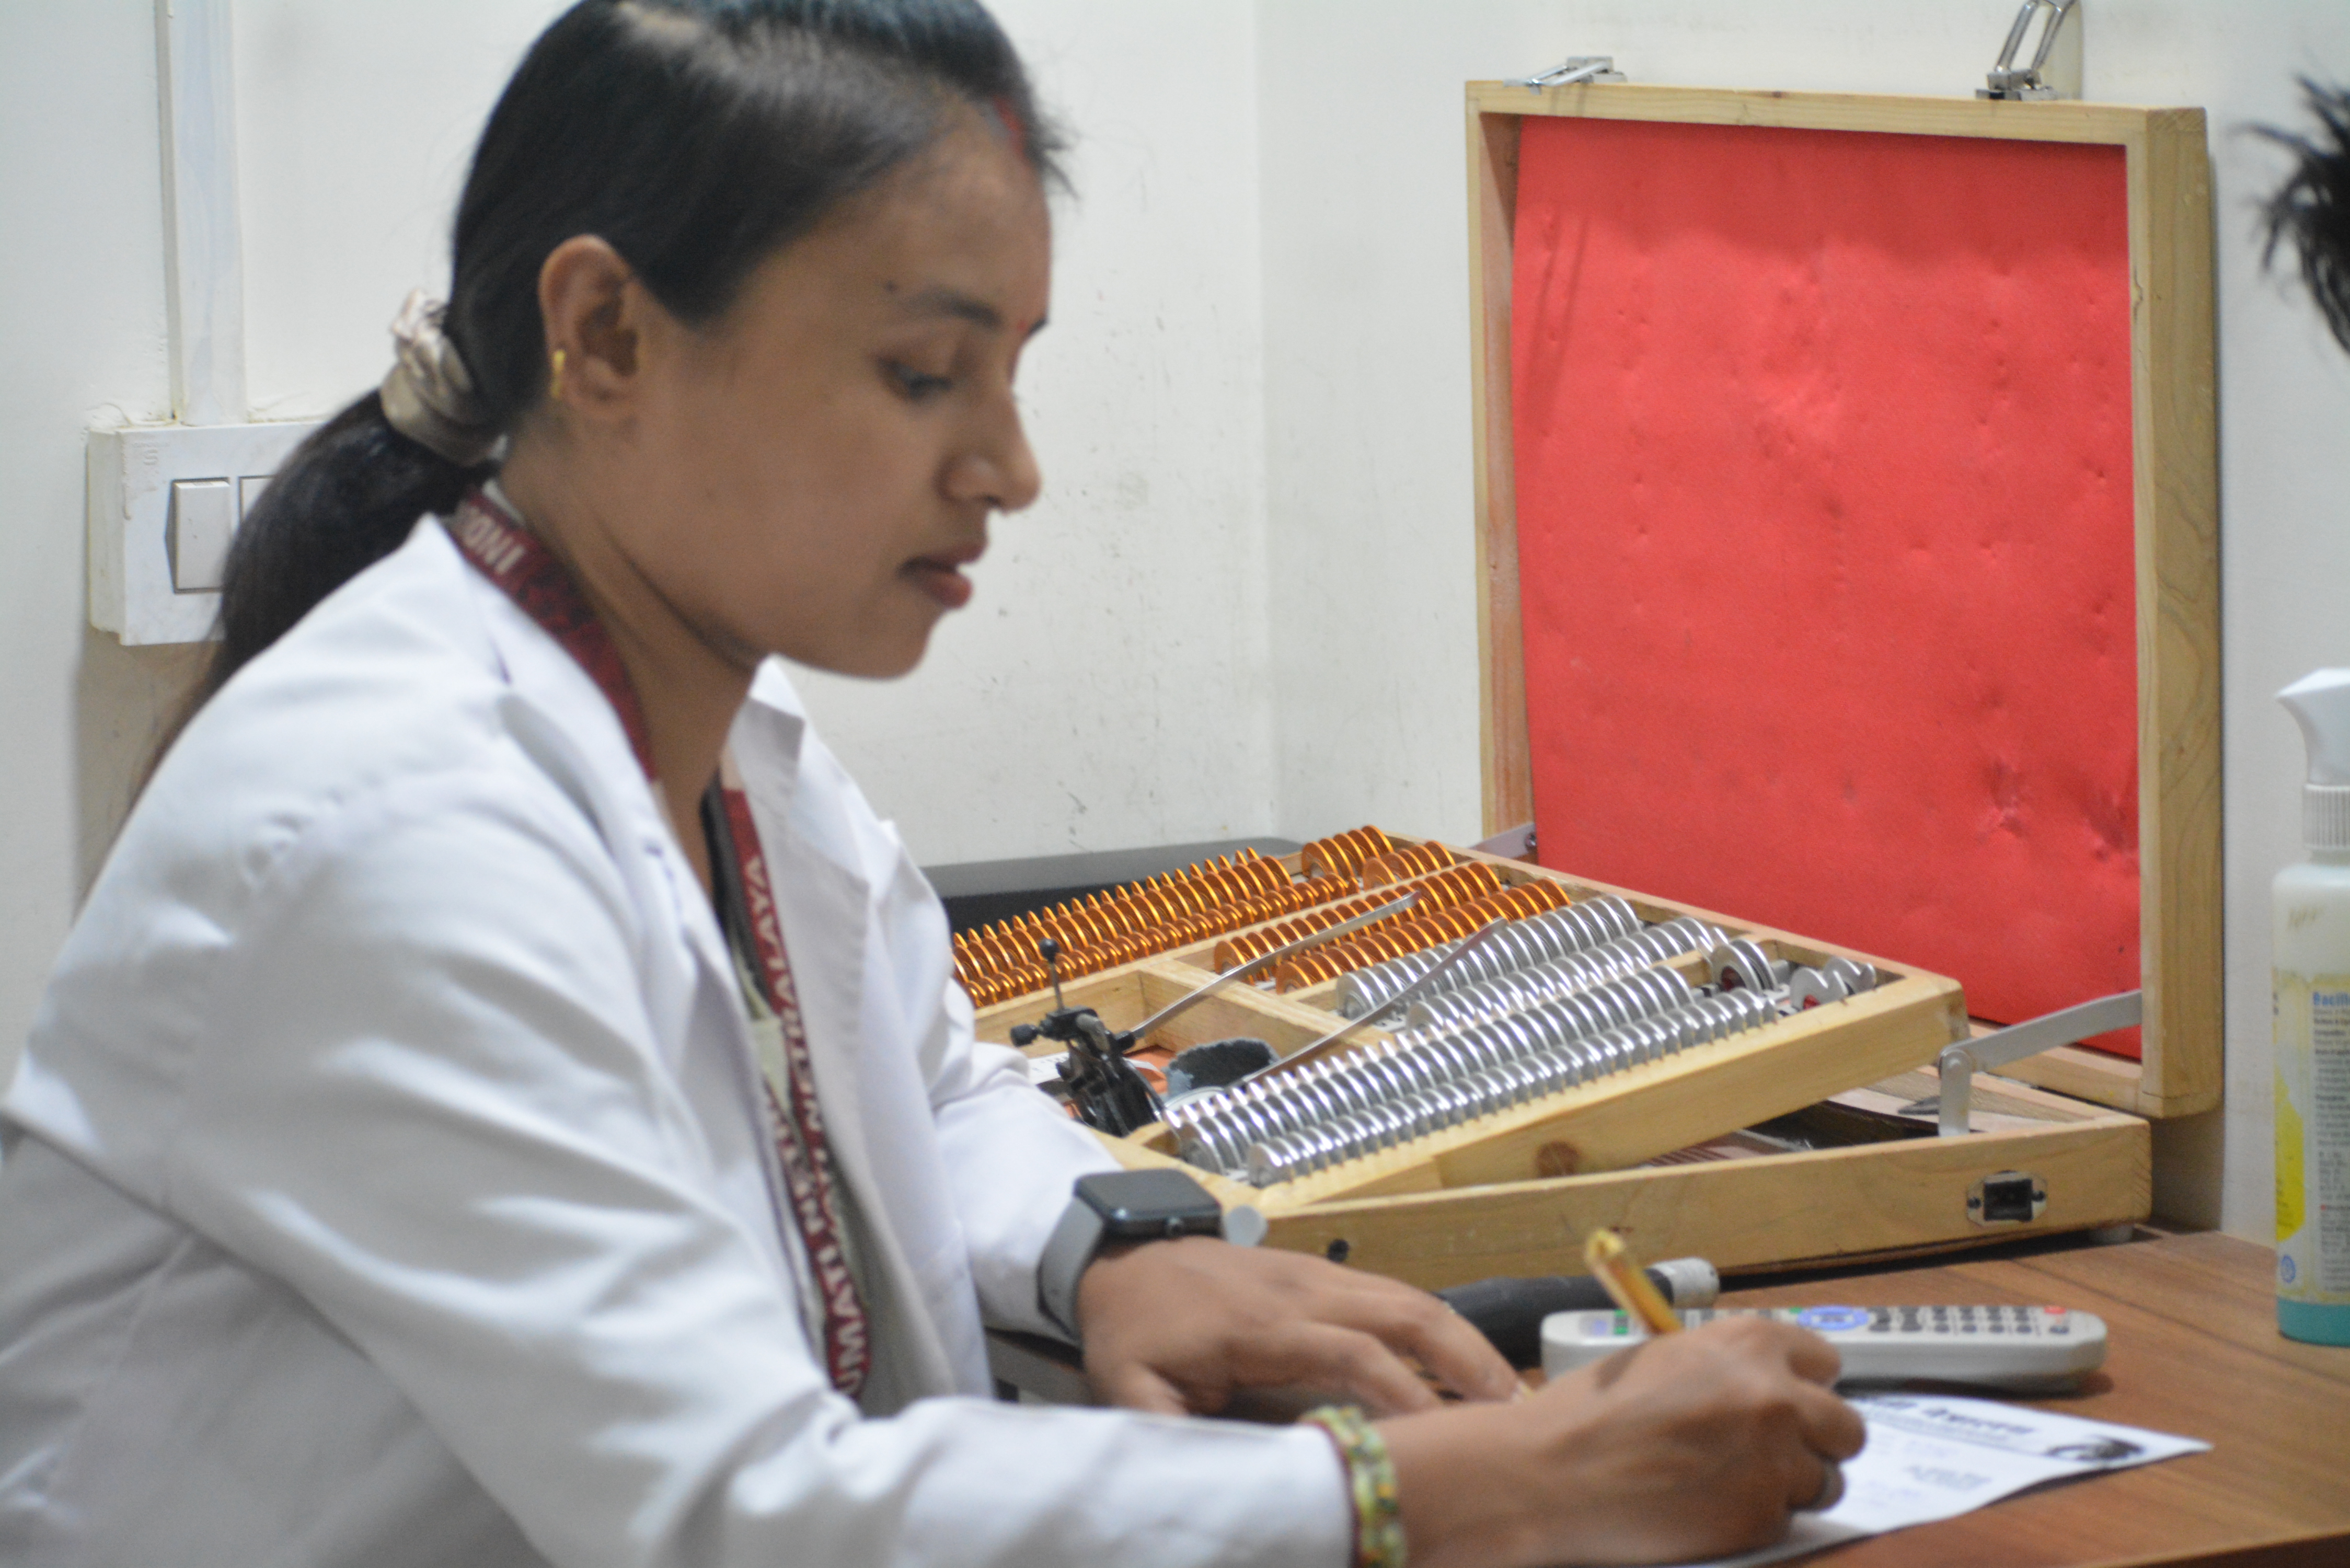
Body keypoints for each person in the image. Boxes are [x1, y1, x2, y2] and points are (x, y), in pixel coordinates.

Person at [0, 3, 1862, 1564]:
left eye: (1015, 374)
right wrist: (1464, 1489)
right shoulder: (384, 827)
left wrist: (1107, 1257)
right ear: (609, 336)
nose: (1012, 470)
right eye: (922, 374)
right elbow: (742, 1514)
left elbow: (929, 1086)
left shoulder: (725, 748)